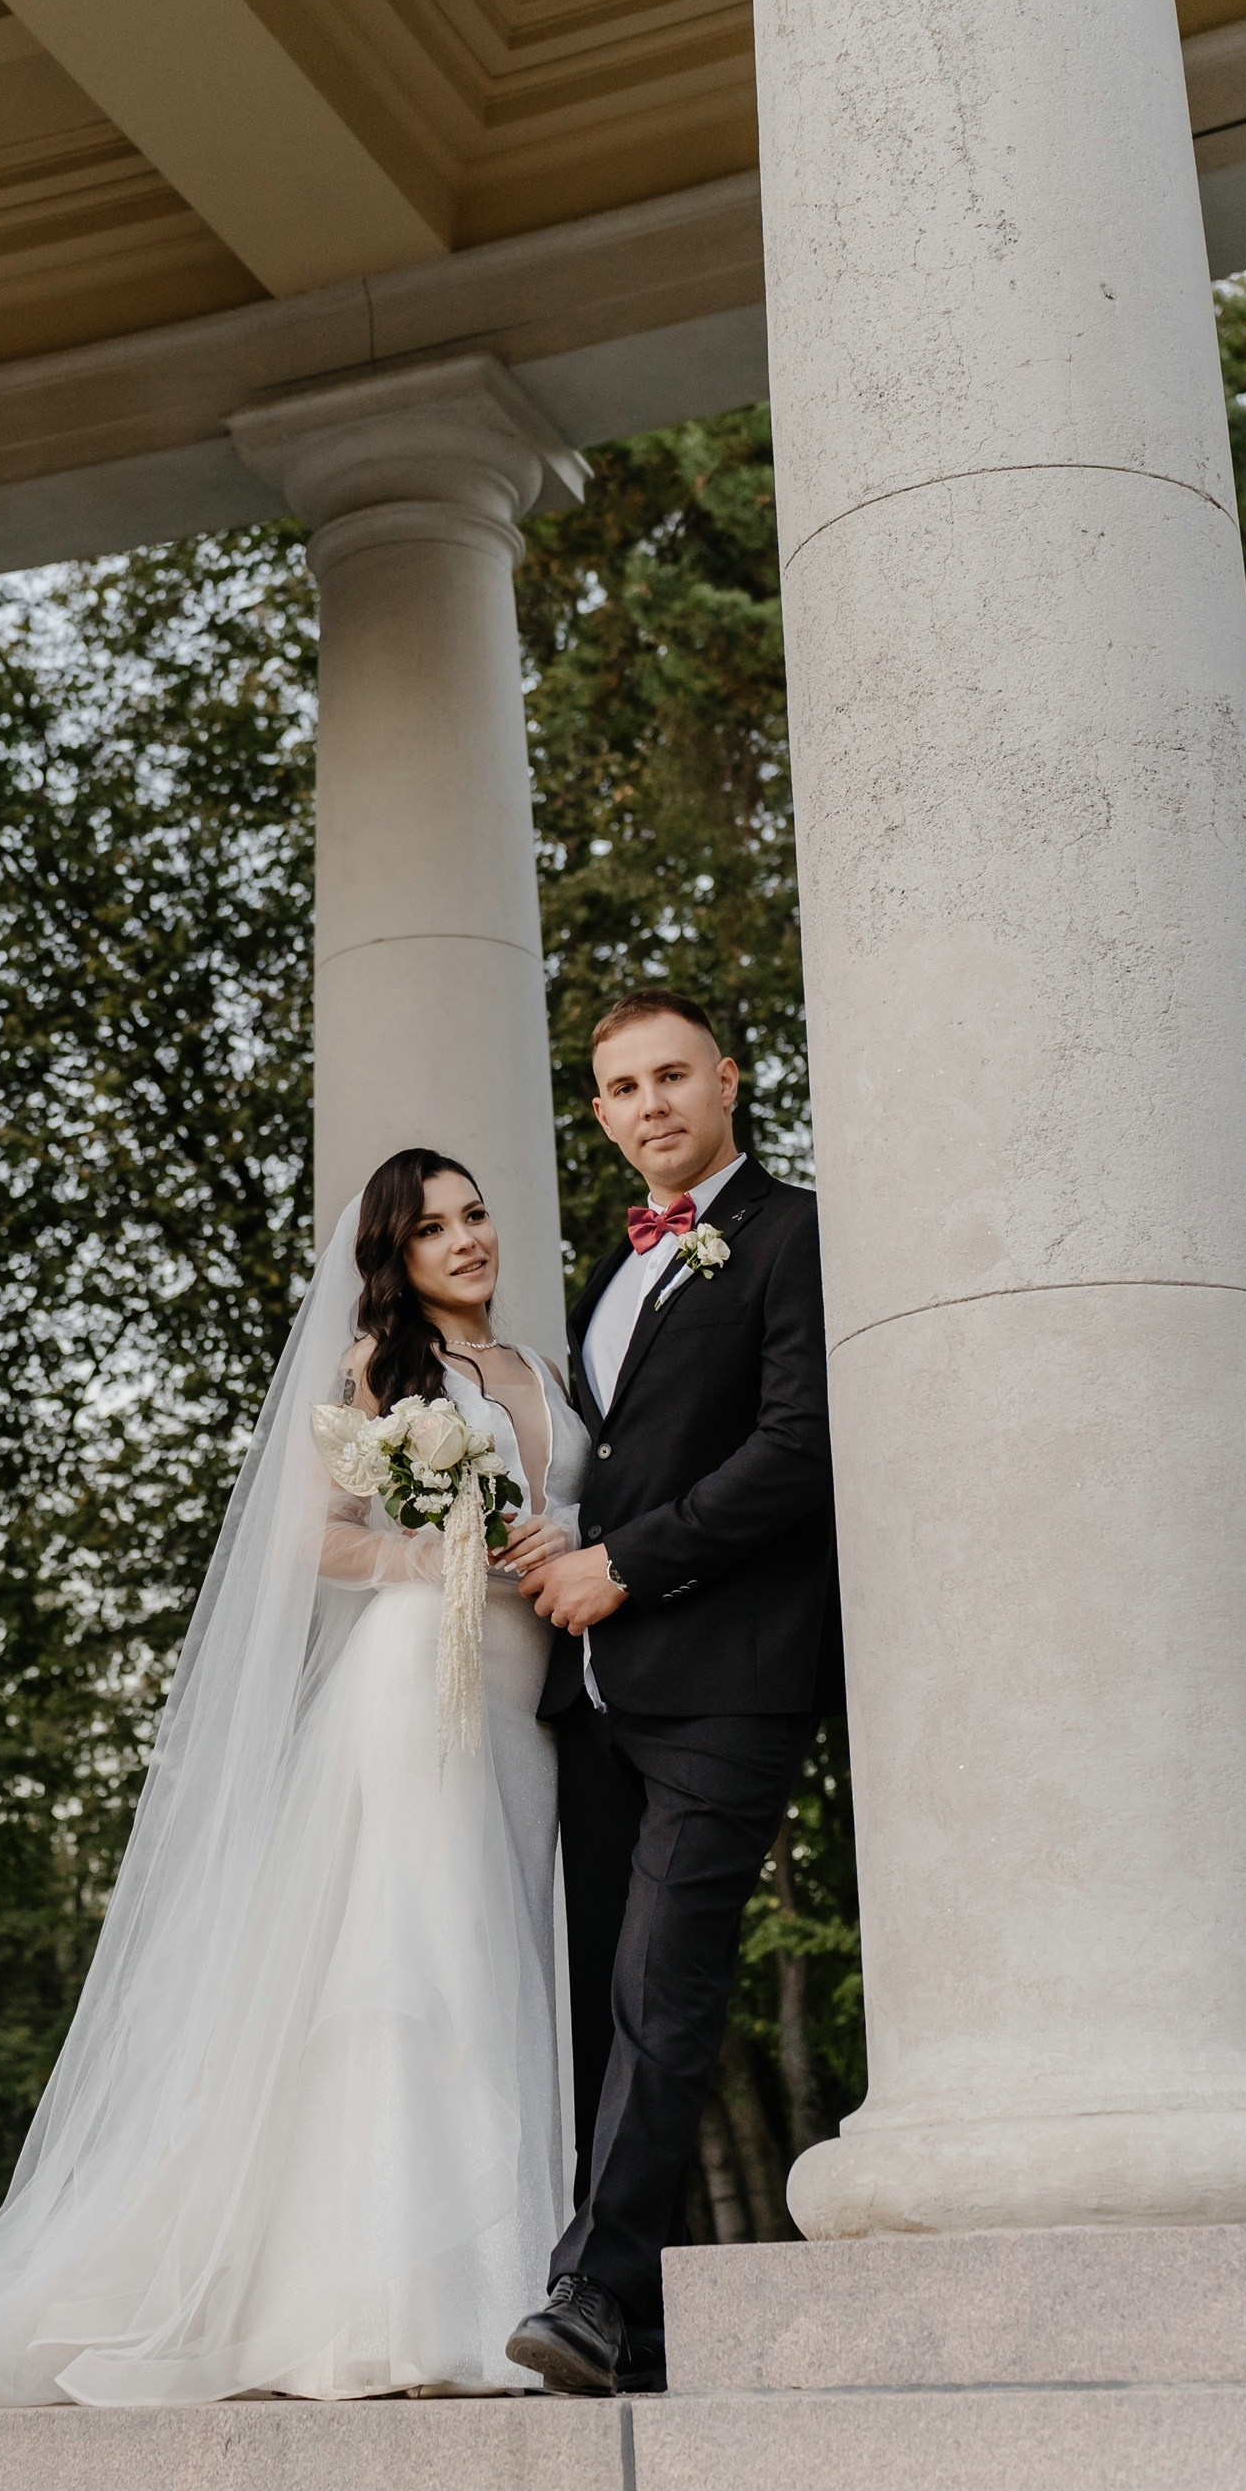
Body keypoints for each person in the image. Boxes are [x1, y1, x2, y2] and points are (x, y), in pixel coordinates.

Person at [0, 1148, 591, 2408]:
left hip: (528, 1698)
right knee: (415, 1959)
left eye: (476, 1215)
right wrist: (439, 1555)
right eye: (434, 1228)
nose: (467, 1240)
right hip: (416, 1678)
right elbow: (315, 1536)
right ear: (393, 1256)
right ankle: (402, 2317)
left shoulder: (547, 1376)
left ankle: (511, 2287)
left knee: (505, 1953)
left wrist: (565, 1541)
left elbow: (576, 1504)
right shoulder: (379, 1373)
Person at [505, 991, 838, 2399]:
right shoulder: (609, 1273)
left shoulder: (792, 1232)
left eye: (668, 1076)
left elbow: (796, 1445)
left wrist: (622, 1567)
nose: (647, 1104)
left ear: (726, 1080)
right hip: (589, 1697)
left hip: (724, 1679)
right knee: (590, 1995)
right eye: (618, 1087)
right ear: (597, 1115)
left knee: (663, 1989)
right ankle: (627, 2334)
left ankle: (590, 2293)